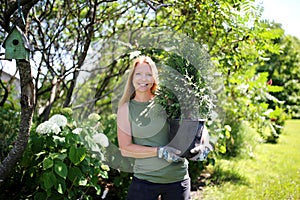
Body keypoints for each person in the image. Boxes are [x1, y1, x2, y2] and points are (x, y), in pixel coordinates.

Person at [117, 55, 209, 200]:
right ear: (132, 77)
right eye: (139, 74)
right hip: (144, 181)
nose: (143, 79)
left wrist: (203, 143)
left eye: (148, 75)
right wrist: (159, 151)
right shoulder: (125, 109)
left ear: (154, 78)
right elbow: (125, 148)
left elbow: (194, 122)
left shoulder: (167, 101)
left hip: (177, 180)